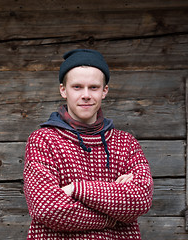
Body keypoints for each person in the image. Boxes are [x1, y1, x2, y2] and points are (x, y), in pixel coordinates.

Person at [23, 49, 153, 239]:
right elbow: (47, 209)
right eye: (77, 87)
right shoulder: (43, 140)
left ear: (104, 91)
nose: (86, 95)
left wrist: (76, 189)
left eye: (93, 87)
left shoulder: (126, 143)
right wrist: (112, 217)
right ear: (63, 90)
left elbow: (141, 199)